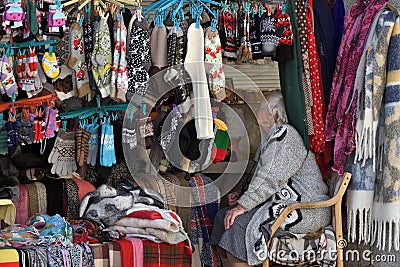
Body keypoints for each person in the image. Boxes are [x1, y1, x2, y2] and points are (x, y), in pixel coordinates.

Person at [210, 91, 331, 266]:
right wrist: (241, 196)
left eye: (260, 108)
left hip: (305, 209)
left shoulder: (286, 136)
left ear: (271, 113)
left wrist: (243, 206)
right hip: (284, 205)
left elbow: (270, 180)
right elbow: (261, 178)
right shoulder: (271, 138)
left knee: (238, 226)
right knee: (222, 218)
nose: (256, 114)